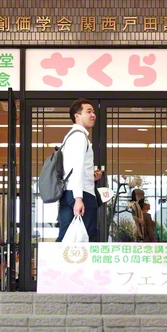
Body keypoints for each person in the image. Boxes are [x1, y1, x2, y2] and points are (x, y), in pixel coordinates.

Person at [56, 98, 103, 243]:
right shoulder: (79, 137)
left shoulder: (70, 136)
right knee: (87, 238)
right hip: (82, 194)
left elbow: (73, 168)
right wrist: (78, 198)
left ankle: (54, 258)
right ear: (77, 116)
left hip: (68, 192)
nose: (93, 115)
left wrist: (91, 176)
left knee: (66, 237)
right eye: (88, 112)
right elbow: (77, 167)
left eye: (93, 112)